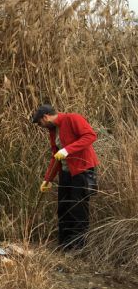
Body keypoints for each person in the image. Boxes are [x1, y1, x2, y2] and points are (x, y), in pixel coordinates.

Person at [31, 104, 99, 250]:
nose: (40, 126)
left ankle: (79, 247)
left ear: (46, 117)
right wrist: (47, 179)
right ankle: (64, 246)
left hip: (82, 170)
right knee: (63, 208)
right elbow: (55, 156)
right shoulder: (53, 130)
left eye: (39, 122)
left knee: (77, 208)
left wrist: (68, 150)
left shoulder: (72, 118)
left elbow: (90, 136)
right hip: (66, 173)